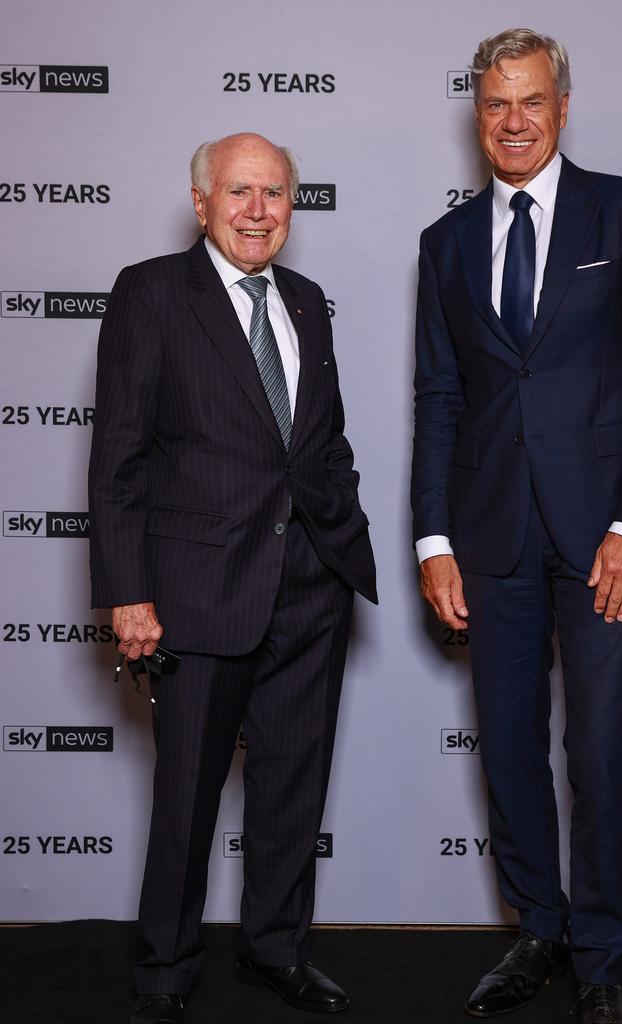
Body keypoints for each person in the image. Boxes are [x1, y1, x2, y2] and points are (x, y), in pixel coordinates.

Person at [411, 29, 622, 1024]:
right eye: (495, 104)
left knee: (603, 750)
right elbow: (438, 396)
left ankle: (604, 956)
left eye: (530, 101)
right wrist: (432, 539)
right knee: (512, 745)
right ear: (476, 115)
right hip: (491, 539)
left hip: (606, 536)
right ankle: (537, 924)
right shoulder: (443, 245)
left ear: (563, 108)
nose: (513, 120)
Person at [89, 132, 377, 1024]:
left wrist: (341, 529)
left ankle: (275, 951)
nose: (259, 210)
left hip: (308, 587)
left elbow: (320, 441)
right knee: (184, 800)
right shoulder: (152, 292)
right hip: (196, 593)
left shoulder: (306, 302)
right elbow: (118, 460)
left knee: (293, 789)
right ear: (201, 200)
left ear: (294, 206)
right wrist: (128, 592)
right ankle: (165, 974)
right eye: (241, 192)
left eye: (276, 194)